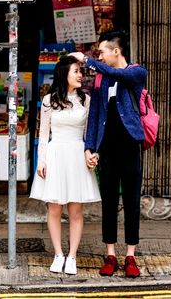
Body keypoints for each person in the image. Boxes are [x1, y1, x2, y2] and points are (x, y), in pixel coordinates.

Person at [71, 31, 147, 278]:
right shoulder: (101, 81)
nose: (100, 56)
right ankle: (111, 254)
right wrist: (89, 148)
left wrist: (86, 59)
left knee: (132, 202)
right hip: (108, 149)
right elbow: (95, 116)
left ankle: (131, 255)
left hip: (130, 146)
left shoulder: (135, 73)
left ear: (117, 51)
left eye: (102, 52)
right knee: (110, 202)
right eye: (97, 54)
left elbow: (119, 74)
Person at [29, 55, 101, 275]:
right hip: (55, 153)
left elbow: (90, 133)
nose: (80, 75)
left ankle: (72, 256)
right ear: (64, 74)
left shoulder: (86, 100)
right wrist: (41, 160)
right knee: (54, 208)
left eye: (81, 71)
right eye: (76, 71)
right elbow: (42, 134)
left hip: (77, 154)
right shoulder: (49, 100)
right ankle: (58, 254)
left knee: (76, 210)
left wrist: (92, 154)